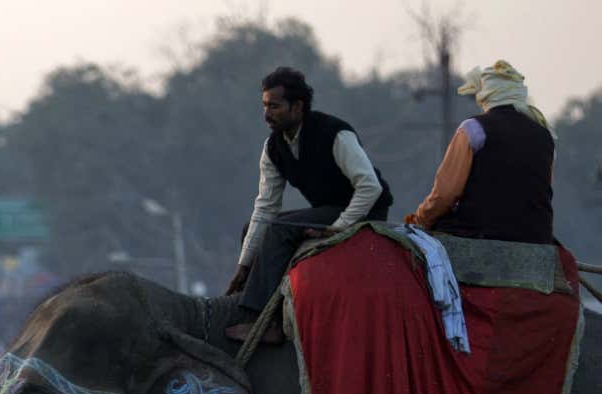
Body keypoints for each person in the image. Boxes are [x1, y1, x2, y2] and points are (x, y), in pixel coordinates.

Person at [225, 66, 393, 334]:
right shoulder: (273, 148)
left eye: (275, 106)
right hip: (329, 209)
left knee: (279, 229)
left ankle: (268, 322)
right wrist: (244, 265)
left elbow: (369, 187)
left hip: (366, 211)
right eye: (265, 106)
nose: (267, 115)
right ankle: (243, 307)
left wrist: (339, 226)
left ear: (297, 106)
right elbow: (265, 208)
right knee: (252, 230)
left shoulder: (335, 133)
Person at [408, 60, 557, 244]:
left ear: (486, 96)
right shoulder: (546, 136)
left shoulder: (473, 129)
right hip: (537, 238)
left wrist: (419, 220)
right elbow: (540, 191)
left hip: (478, 234)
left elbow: (445, 194)